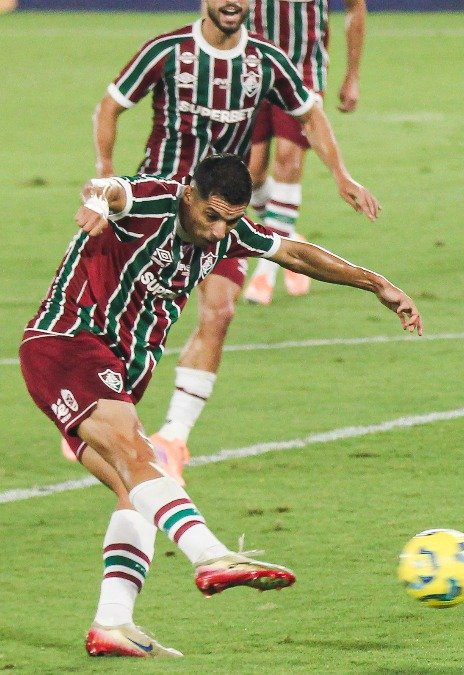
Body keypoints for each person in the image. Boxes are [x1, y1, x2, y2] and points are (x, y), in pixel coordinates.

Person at [19, 154, 422, 658]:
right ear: (190, 195)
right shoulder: (153, 200)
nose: (218, 231)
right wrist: (98, 202)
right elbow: (108, 188)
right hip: (69, 344)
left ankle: (112, 622)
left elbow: (295, 253)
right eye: (212, 216)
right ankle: (210, 555)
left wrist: (377, 283)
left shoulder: (226, 233)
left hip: (118, 370)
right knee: (142, 459)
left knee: (136, 491)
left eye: (230, 220)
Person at [84, 0, 380, 484]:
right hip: (159, 207)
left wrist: (340, 174)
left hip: (221, 216)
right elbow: (110, 107)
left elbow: (310, 114)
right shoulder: (167, 51)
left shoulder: (266, 60)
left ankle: (173, 438)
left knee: (220, 311)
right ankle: (91, 407)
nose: (232, 4)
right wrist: (105, 178)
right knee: (125, 317)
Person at [242, 0, 367, 305]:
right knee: (251, 176)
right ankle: (289, 235)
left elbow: (355, 7)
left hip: (303, 72)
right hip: (251, 69)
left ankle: (267, 271)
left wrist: (352, 75)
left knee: (288, 160)